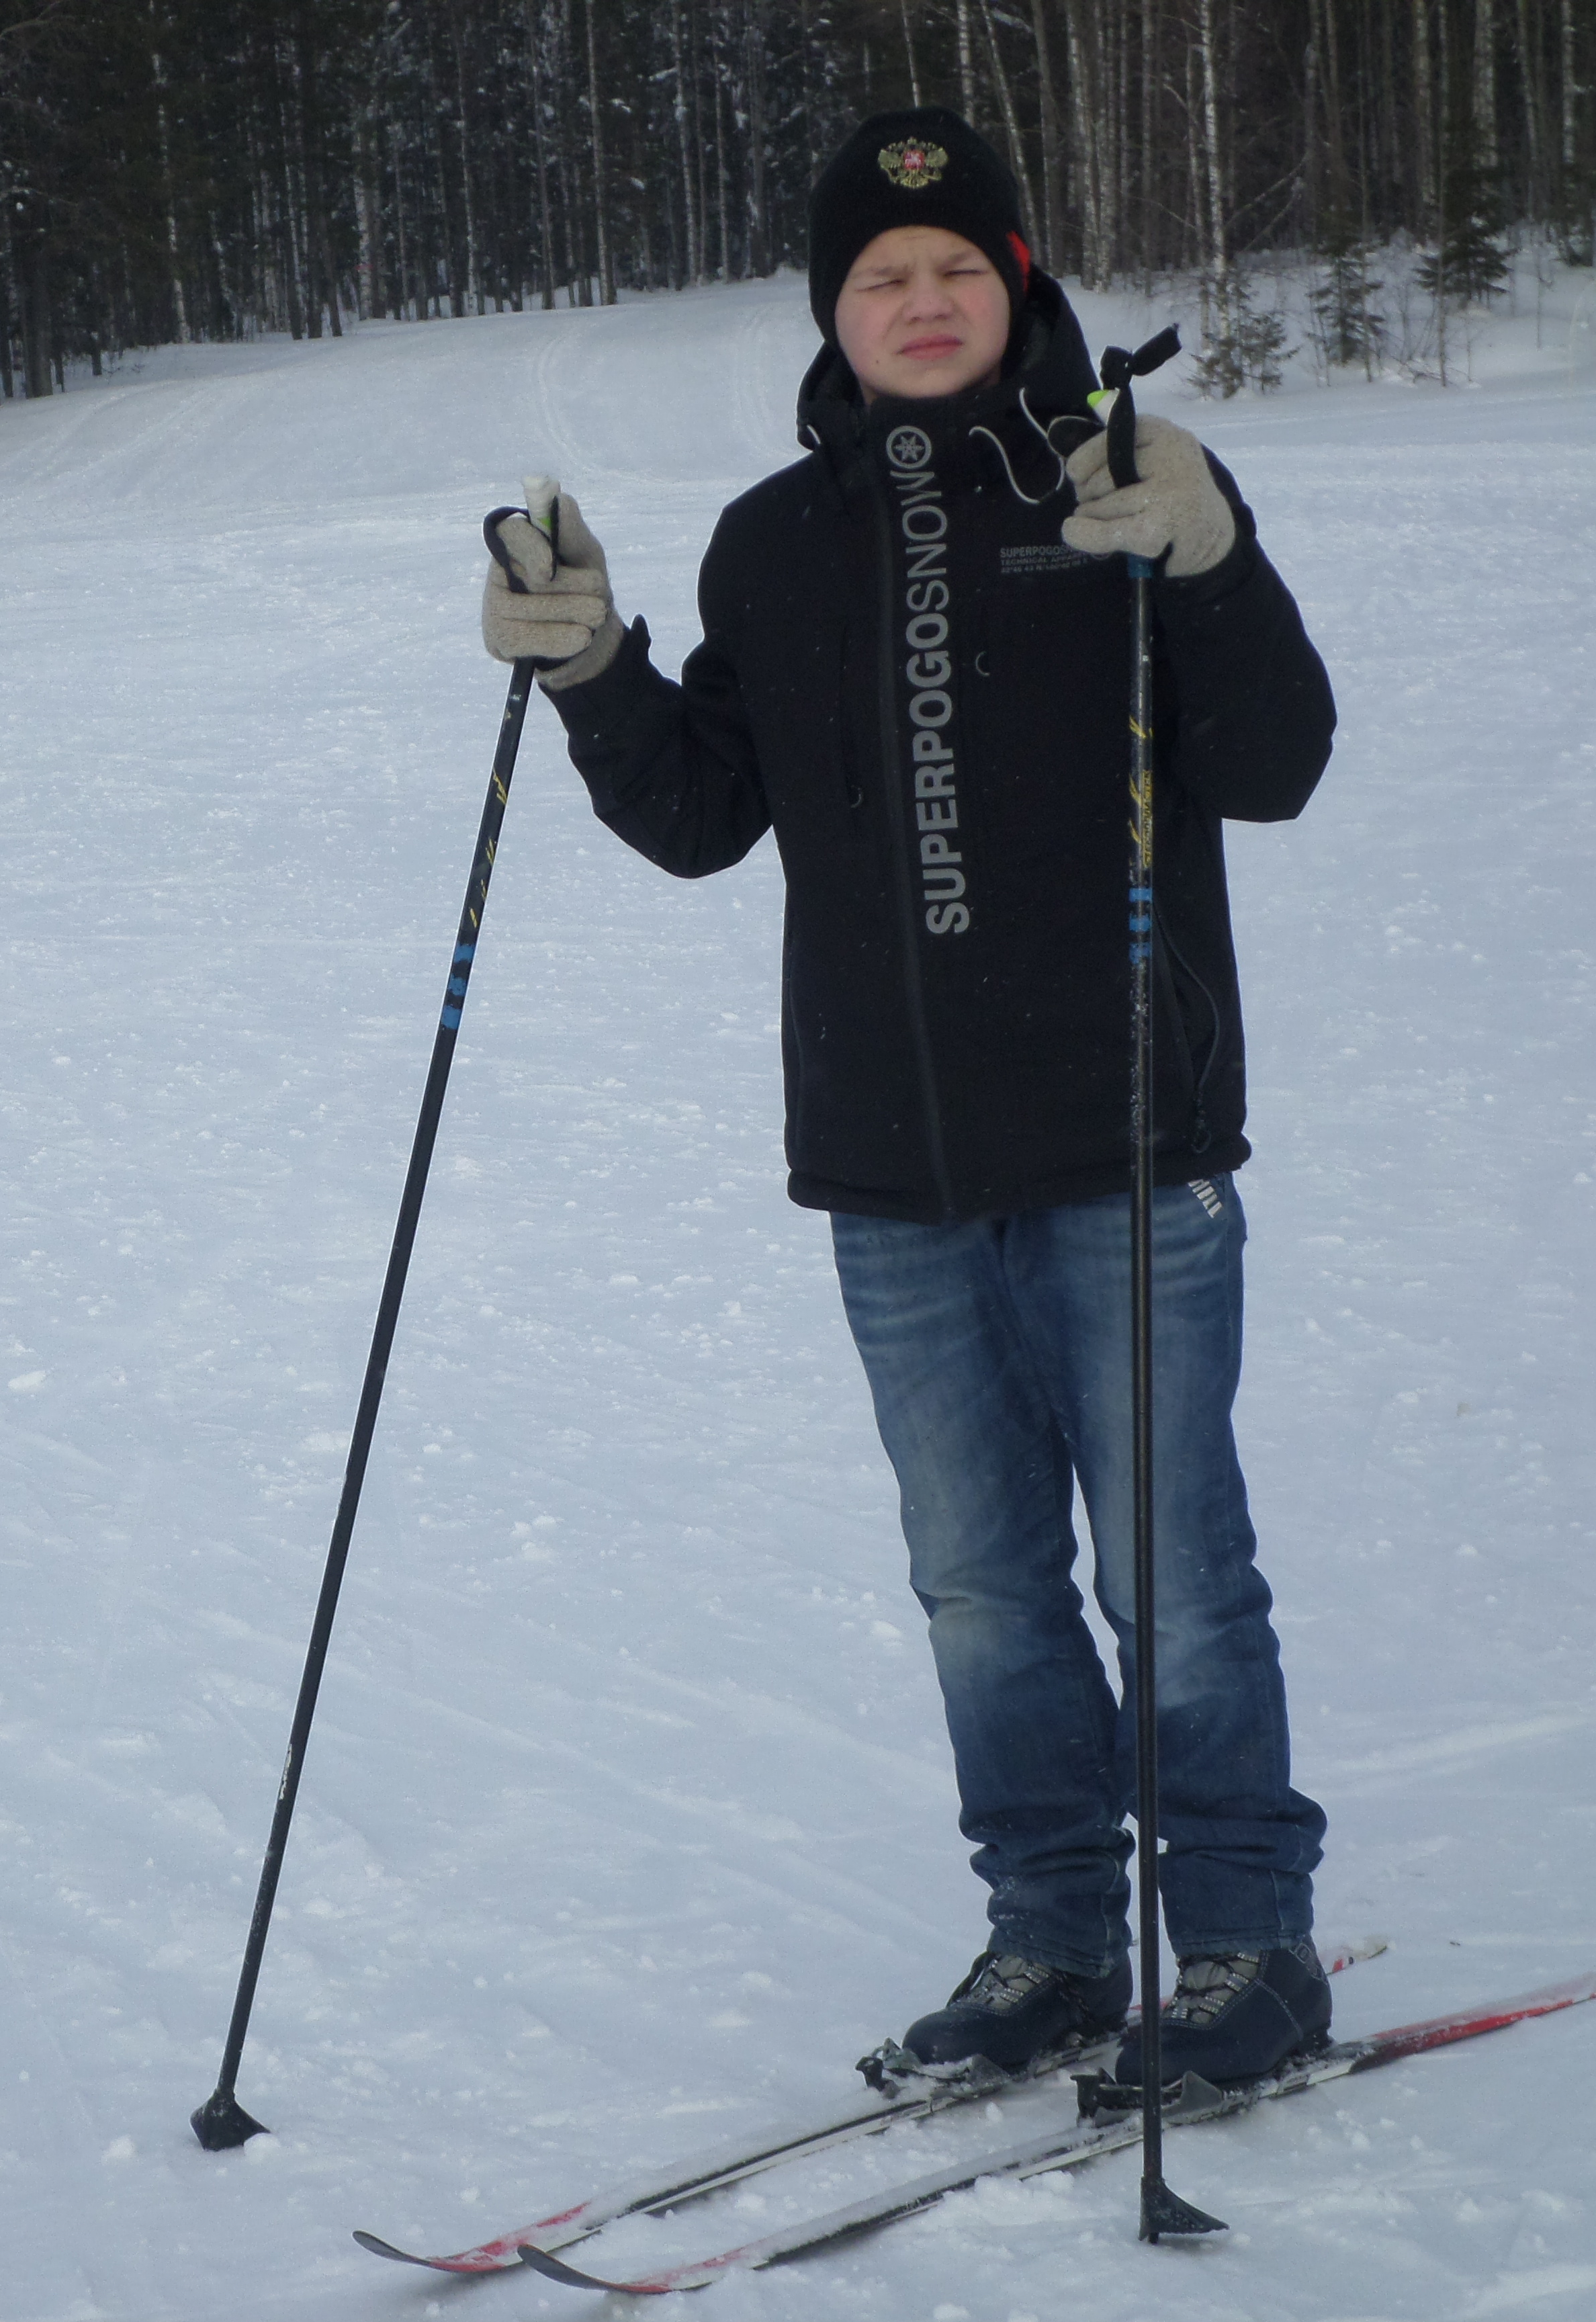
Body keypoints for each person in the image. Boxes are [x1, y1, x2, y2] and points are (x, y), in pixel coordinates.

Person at [482, 108, 1337, 2094]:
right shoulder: (776, 543)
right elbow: (705, 817)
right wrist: (593, 664)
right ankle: (1048, 1940)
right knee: (980, 1590)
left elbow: (1278, 760)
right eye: (884, 275)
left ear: (1019, 280)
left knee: (1173, 1581)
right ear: (832, 311)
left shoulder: (1122, 484)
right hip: (889, 1167)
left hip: (1127, 1146)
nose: (924, 299)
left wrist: (1210, 553)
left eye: (958, 265)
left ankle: (1247, 1951)